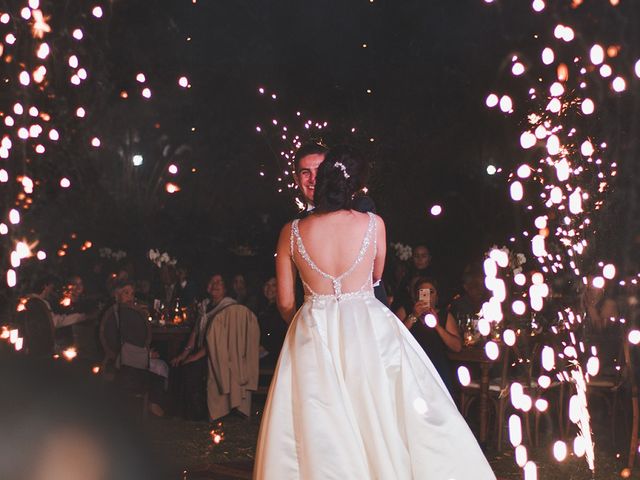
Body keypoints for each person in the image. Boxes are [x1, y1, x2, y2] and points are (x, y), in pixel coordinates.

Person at [254, 146, 495, 479]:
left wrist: (301, 322)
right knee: (379, 410)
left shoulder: (291, 232)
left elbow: (283, 302)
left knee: (322, 421)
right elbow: (376, 276)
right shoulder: (373, 224)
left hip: (313, 328)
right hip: (366, 325)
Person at [292, 142, 389, 306]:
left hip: (365, 314)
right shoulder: (295, 228)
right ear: (296, 178)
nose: (314, 179)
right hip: (316, 320)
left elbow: (375, 273)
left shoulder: (361, 208)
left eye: (319, 170)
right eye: (305, 172)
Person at [170, 273, 236, 419]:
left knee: (190, 368)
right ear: (207, 287)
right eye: (212, 282)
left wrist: (193, 357)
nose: (215, 285)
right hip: (202, 351)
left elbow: (217, 341)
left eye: (219, 282)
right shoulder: (205, 305)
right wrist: (184, 354)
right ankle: (178, 412)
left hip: (219, 356)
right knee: (177, 363)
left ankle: (197, 415)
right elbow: (195, 331)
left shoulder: (229, 306)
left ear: (225, 288)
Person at [396, 277, 462, 395]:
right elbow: (394, 338)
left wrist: (437, 326)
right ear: (416, 296)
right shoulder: (406, 311)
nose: (427, 295)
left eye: (431, 292)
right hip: (410, 366)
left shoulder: (444, 315)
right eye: (422, 292)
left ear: (437, 296)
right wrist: (414, 316)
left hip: (436, 368)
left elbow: (457, 347)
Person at [256, 276, 288, 365]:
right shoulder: (261, 307)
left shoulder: (281, 310)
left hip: (274, 357)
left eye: (273, 285)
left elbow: (276, 337)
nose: (269, 288)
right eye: (267, 285)